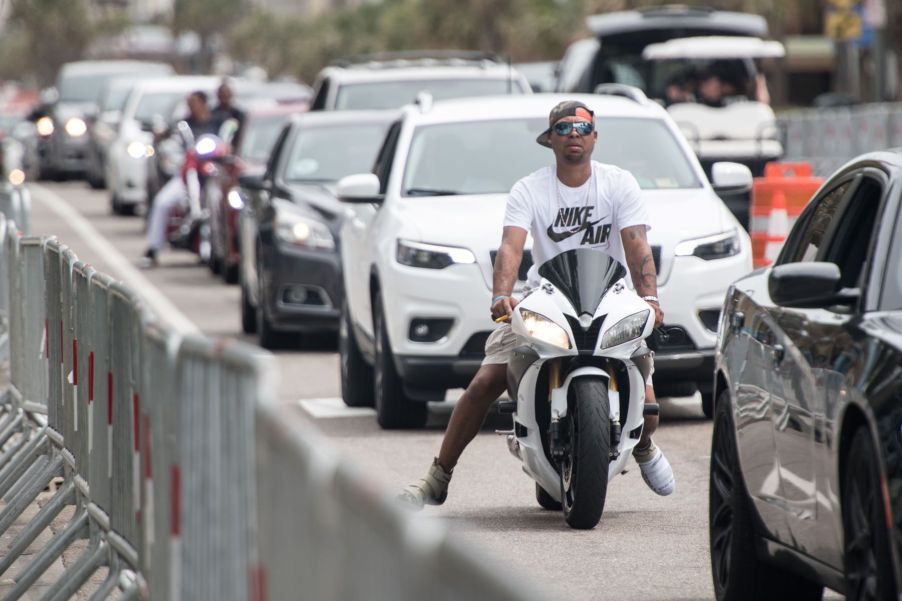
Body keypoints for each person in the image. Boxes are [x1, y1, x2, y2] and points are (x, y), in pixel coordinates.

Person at [399, 100, 675, 509]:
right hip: (546, 300)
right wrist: (500, 294)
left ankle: (642, 444)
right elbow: (511, 247)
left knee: (650, 406)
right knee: (484, 383)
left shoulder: (619, 184)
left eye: (582, 128)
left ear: (595, 137)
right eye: (564, 128)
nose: (574, 136)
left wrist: (650, 298)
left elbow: (636, 245)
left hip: (611, 299)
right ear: (551, 140)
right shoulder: (529, 188)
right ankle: (438, 476)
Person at [141, 90, 217, 268]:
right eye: (189, 104)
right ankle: (153, 248)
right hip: (188, 175)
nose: (191, 107)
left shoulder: (216, 121)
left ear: (204, 103)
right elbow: (169, 136)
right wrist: (162, 135)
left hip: (212, 175)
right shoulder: (184, 124)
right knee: (162, 202)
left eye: (195, 103)